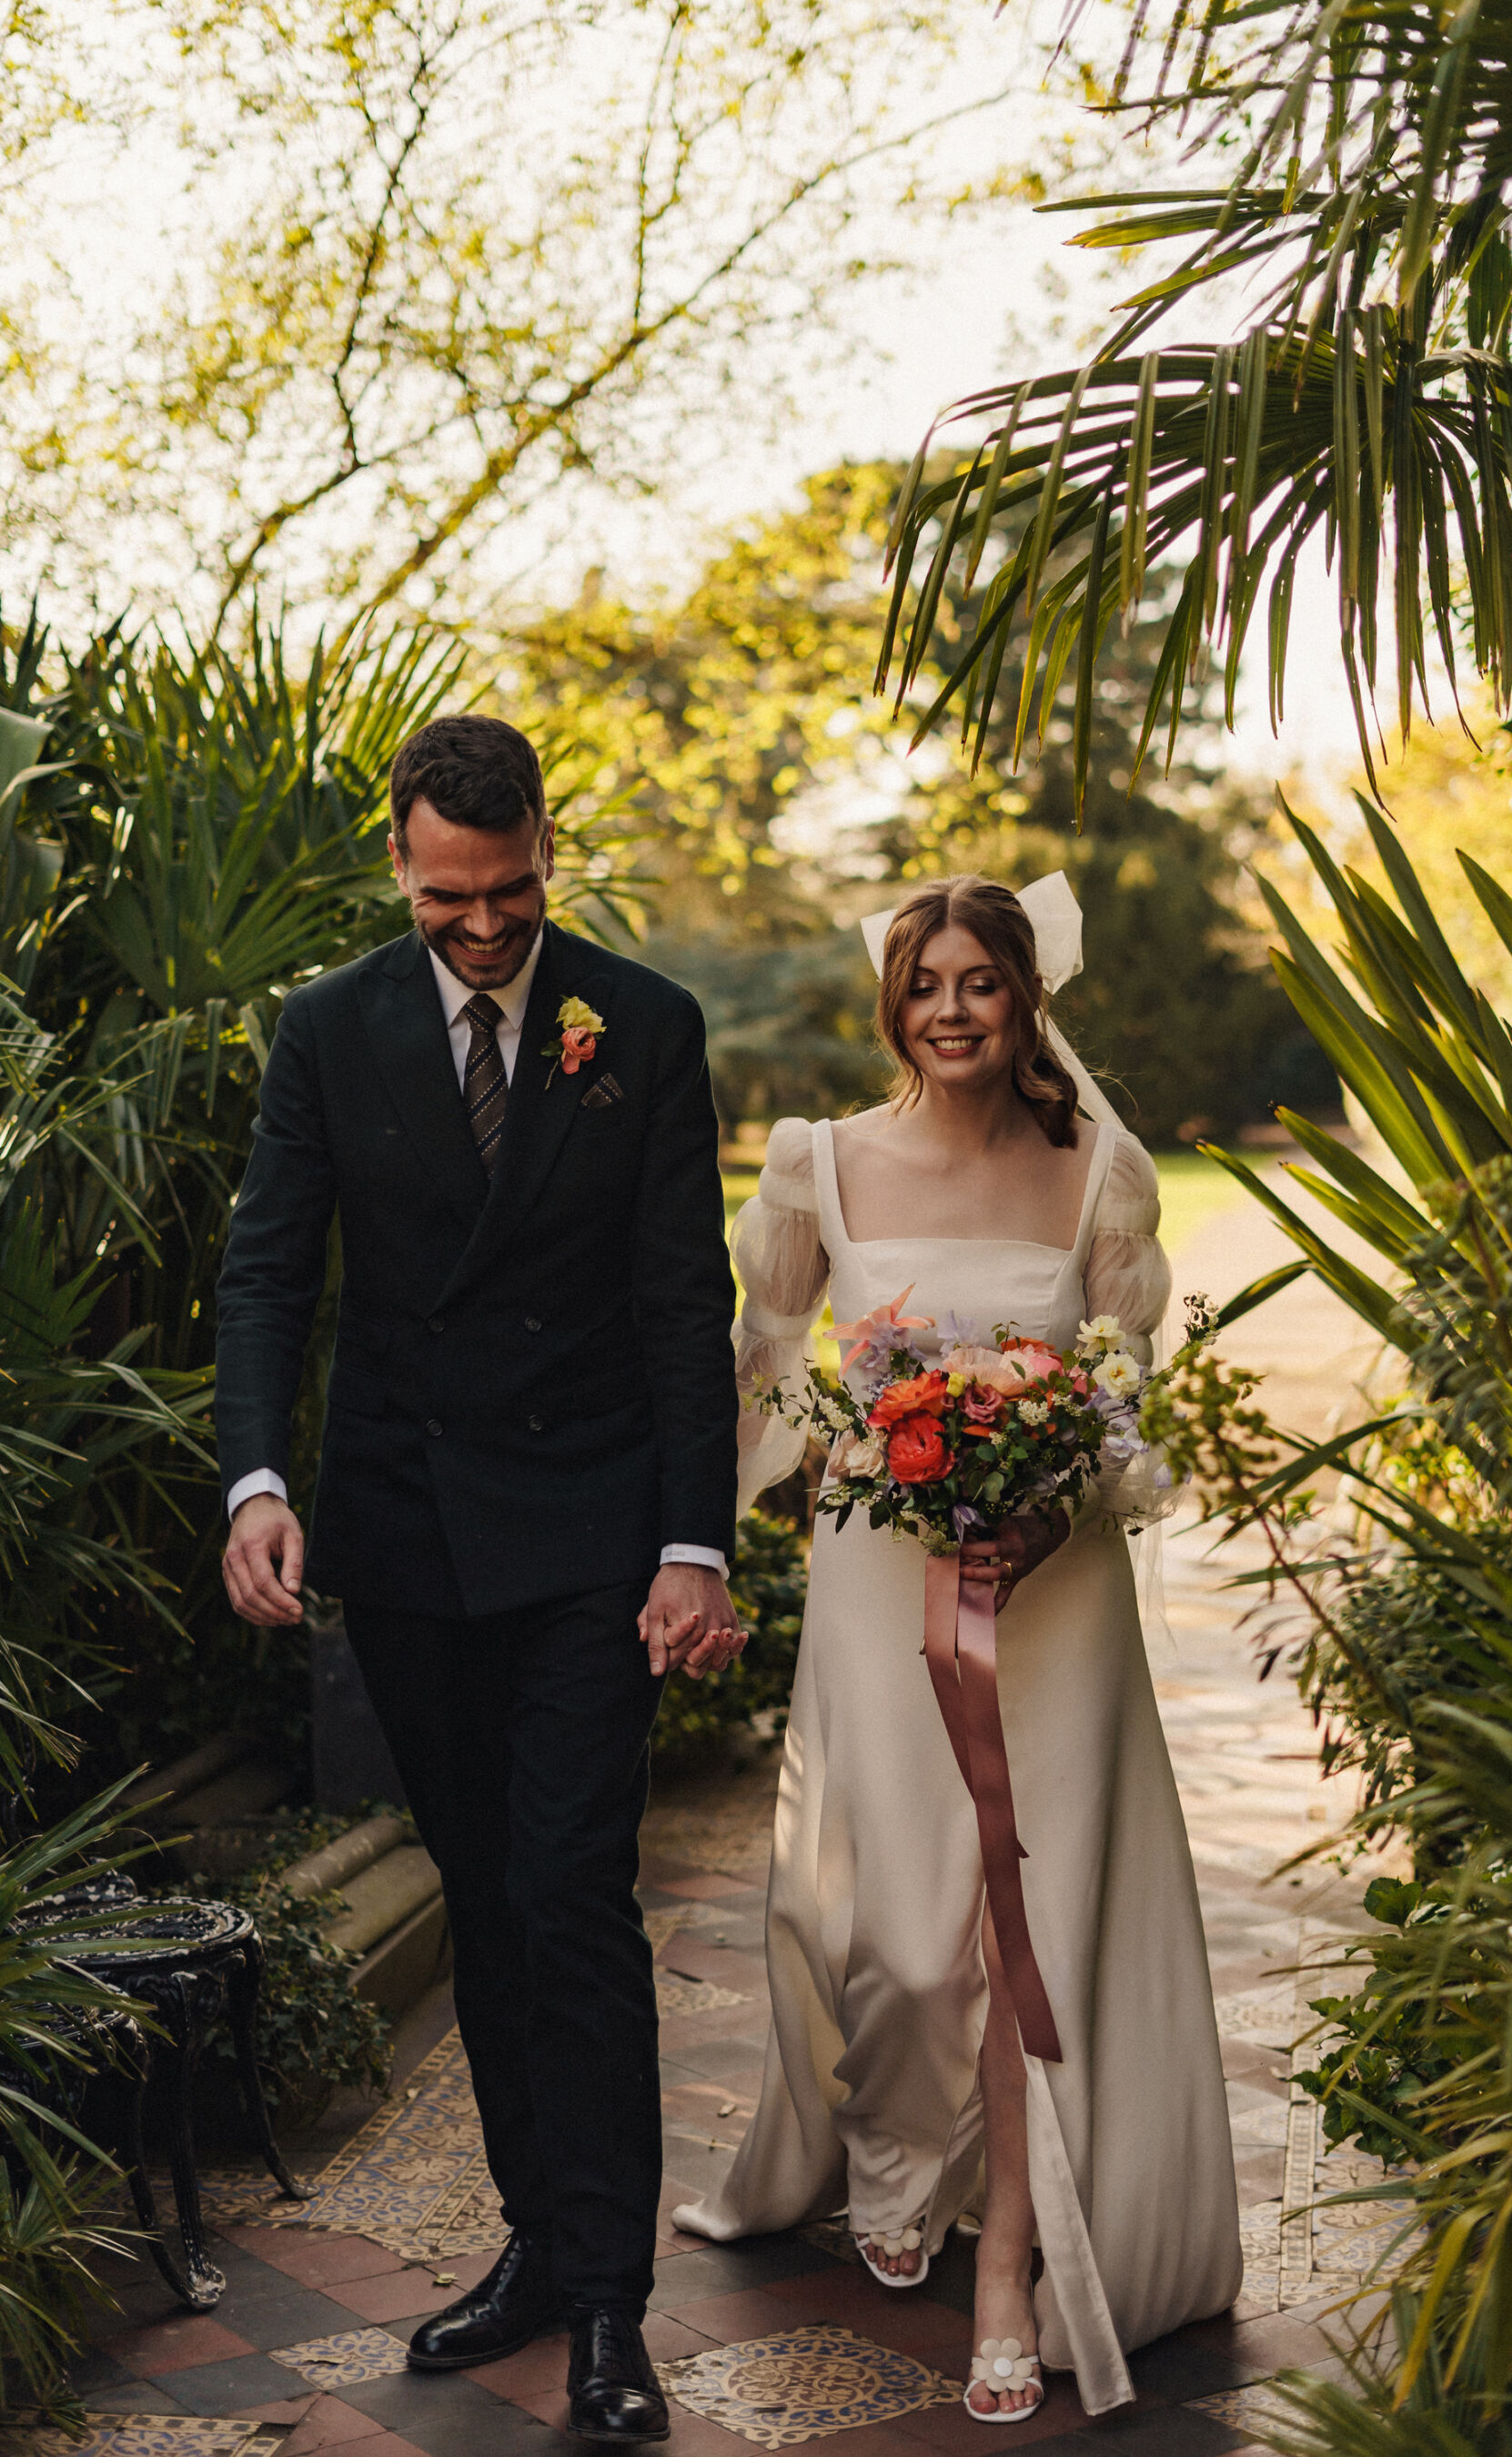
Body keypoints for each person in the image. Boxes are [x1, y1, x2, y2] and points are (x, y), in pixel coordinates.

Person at [216, 712, 742, 2445]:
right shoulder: (330, 1028)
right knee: (487, 1902)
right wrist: (259, 1480)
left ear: (542, 852)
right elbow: (271, 1272)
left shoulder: (642, 1027)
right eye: (453, 897)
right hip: (409, 1533)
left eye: (512, 892)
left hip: (592, 1536)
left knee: (574, 1898)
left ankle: (608, 2304)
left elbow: (686, 1302)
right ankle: (535, 2241)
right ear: (403, 860)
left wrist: (693, 1539)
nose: (488, 927)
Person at [673, 874, 1242, 2423]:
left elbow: (1125, 1395)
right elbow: (767, 1363)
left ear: (1026, 996)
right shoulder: (821, 1166)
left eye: (980, 981)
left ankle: (1013, 2272)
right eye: (926, 983)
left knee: (1028, 1937)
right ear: (893, 1003)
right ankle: (891, 2154)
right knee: (899, 1934)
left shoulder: (1099, 1171)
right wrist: (710, 1551)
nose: (952, 1009)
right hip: (876, 1592)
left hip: (1057, 1606)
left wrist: (1059, 1507)